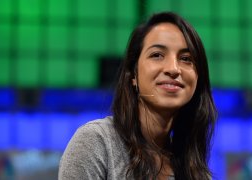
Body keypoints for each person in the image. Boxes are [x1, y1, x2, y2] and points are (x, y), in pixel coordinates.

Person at [59, 12, 217, 180]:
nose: (173, 69)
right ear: (133, 75)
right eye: (157, 55)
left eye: (186, 58)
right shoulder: (97, 143)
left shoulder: (196, 172)